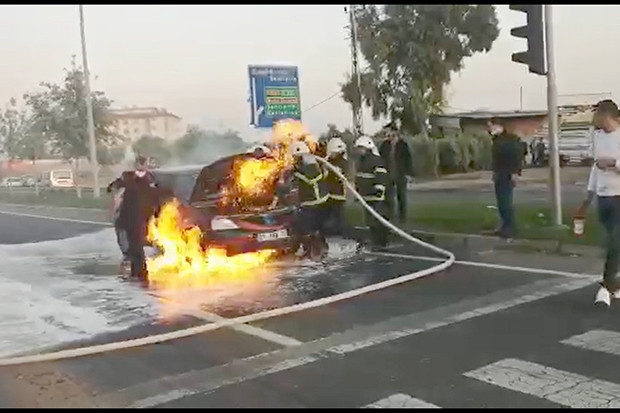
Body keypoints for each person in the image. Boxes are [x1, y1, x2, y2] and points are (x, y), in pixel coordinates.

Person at [577, 99, 620, 306]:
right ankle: (615, 285)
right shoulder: (597, 137)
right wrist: (588, 197)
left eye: (597, 114)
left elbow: (605, 164)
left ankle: (607, 284)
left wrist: (612, 163)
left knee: (615, 240)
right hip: (603, 196)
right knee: (612, 242)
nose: (594, 119)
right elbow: (595, 168)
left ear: (607, 115)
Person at [107, 156, 159, 281]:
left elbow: (155, 196)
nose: (141, 167)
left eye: (143, 164)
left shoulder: (150, 179)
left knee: (136, 246)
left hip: (140, 218)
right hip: (128, 216)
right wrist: (113, 187)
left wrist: (154, 213)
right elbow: (115, 185)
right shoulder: (128, 177)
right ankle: (136, 271)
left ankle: (139, 272)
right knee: (130, 245)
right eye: (139, 164)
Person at [289, 140, 330, 260]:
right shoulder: (307, 163)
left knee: (307, 228)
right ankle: (318, 250)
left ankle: (313, 252)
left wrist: (296, 174)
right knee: (311, 228)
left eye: (295, 156)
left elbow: (312, 179)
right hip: (311, 201)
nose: (294, 159)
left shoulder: (310, 164)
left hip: (314, 202)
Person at [488, 117, 522, 240]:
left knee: (505, 200)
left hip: (507, 173)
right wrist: (494, 172)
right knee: (501, 201)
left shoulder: (510, 140)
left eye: (491, 126)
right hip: (500, 173)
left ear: (499, 126)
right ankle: (504, 225)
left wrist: (515, 172)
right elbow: (497, 158)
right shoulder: (497, 140)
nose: (490, 129)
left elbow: (516, 156)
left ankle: (509, 227)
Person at [354, 135, 389, 250]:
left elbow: (381, 176)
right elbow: (360, 178)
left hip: (376, 197)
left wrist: (379, 189)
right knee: (370, 221)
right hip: (367, 197)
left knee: (378, 220)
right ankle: (375, 241)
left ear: (367, 148)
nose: (359, 150)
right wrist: (358, 192)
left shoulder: (376, 160)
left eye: (361, 148)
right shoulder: (361, 161)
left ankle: (381, 242)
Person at [378, 124, 413, 223]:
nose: (389, 136)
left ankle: (402, 217)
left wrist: (408, 173)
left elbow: (408, 159)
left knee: (401, 195)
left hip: (400, 173)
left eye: (391, 134)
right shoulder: (384, 145)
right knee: (388, 196)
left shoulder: (403, 145)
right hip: (388, 173)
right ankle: (389, 215)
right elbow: (381, 158)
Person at [322, 135, 349, 238]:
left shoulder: (343, 163)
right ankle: (329, 232)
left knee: (339, 215)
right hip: (328, 194)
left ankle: (341, 234)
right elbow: (324, 176)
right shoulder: (327, 162)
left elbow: (346, 176)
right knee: (328, 214)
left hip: (339, 194)